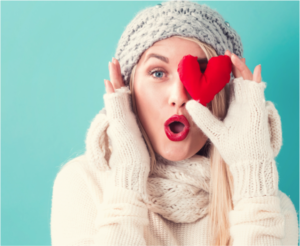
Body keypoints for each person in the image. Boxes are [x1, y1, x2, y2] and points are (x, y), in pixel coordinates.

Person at [50, 0, 299, 245]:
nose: (179, 96)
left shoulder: (267, 206)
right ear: (127, 90)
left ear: (226, 96)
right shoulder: (83, 185)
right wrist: (127, 177)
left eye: (201, 73)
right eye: (158, 73)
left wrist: (253, 172)